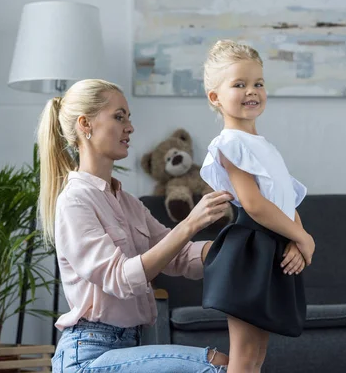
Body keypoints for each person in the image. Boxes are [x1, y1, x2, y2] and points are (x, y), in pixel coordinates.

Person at [38, 78, 233, 372]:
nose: (130, 127)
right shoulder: (75, 201)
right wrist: (190, 223)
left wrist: (236, 249)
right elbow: (120, 279)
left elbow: (179, 257)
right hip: (88, 356)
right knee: (217, 366)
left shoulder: (128, 203)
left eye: (129, 118)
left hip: (132, 345)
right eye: (119, 117)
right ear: (85, 124)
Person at [199, 40, 316, 373]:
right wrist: (305, 239)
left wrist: (296, 237)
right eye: (239, 84)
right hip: (251, 251)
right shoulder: (230, 143)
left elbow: (285, 200)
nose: (252, 91)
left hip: (273, 246)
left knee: (257, 356)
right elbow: (254, 204)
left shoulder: (264, 147)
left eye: (258, 83)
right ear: (215, 98)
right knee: (245, 357)